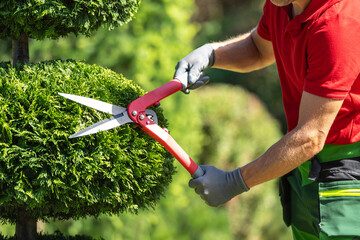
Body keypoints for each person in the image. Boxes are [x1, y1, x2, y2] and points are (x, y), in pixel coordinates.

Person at [173, 0, 360, 239]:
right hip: (306, 171)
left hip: (347, 179)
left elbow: (310, 137)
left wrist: (234, 181)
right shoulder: (281, 4)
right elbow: (258, 49)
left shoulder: (337, 25)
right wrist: (211, 54)